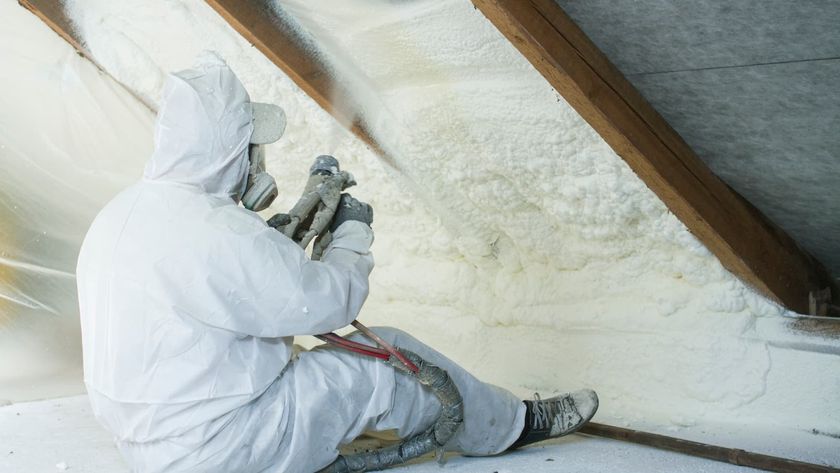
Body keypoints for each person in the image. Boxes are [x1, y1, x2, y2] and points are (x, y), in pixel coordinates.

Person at [76, 52, 598, 473]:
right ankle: (512, 427)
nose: (255, 161)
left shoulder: (124, 212)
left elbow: (223, 285)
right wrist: (352, 236)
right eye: (250, 146)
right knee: (388, 360)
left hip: (146, 446)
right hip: (222, 449)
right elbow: (327, 305)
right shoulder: (217, 231)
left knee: (309, 363)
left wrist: (276, 240)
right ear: (228, 150)